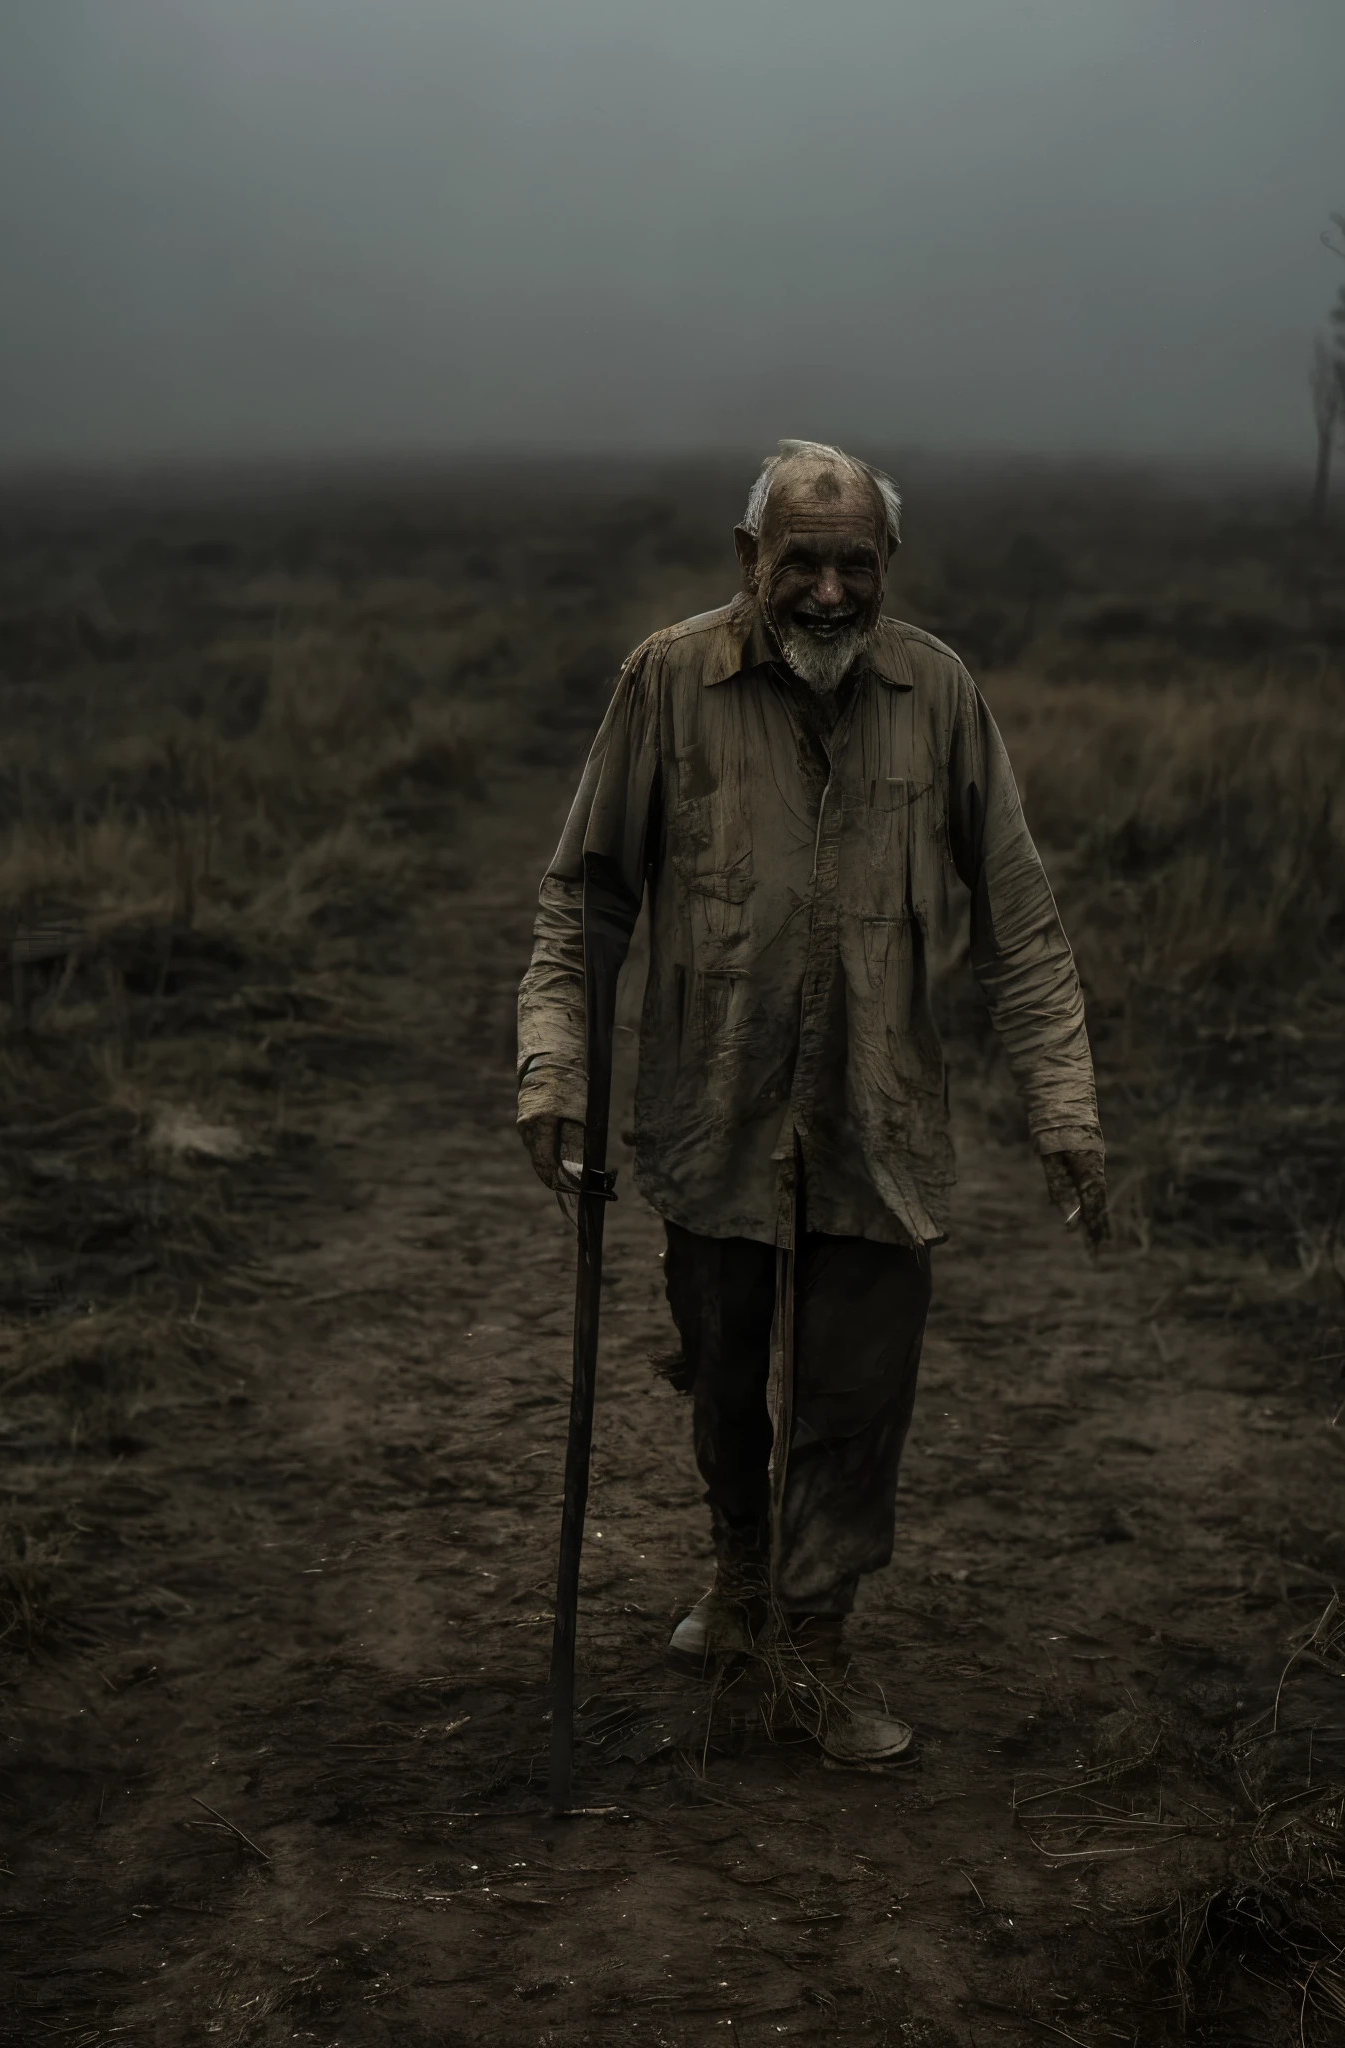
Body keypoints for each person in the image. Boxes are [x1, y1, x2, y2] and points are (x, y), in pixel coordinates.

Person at [515, 441, 1106, 1763]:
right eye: (803, 562)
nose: (830, 593)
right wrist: (554, 1057)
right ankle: (737, 1566)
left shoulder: (940, 693)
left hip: (879, 1119)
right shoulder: (668, 681)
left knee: (856, 1395)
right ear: (749, 562)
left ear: (886, 566)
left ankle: (817, 1651)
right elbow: (586, 895)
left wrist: (1064, 1106)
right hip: (710, 1107)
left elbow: (1021, 921)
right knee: (721, 1373)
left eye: (856, 565)